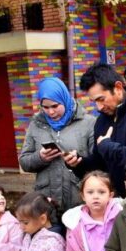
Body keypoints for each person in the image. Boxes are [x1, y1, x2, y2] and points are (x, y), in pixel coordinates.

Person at [63, 63, 126, 197]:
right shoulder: (102, 120)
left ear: (118, 88)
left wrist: (111, 148)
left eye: (101, 99)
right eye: (94, 101)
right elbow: (100, 165)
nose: (99, 107)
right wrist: (78, 163)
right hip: (117, 205)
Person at [19, 77, 95, 213]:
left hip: (79, 201)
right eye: (45, 107)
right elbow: (24, 162)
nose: (51, 112)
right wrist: (40, 158)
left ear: (65, 99)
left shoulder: (88, 123)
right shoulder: (36, 124)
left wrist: (79, 161)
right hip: (46, 203)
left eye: (55, 106)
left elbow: (99, 165)